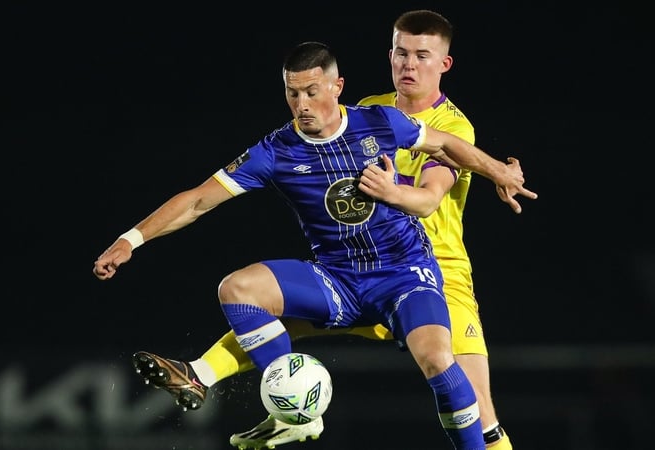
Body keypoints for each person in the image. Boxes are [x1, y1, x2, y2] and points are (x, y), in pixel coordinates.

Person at [95, 41, 535, 449]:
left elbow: (445, 146)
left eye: (311, 92)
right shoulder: (276, 150)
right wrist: (130, 239)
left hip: (404, 276)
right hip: (338, 280)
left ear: (336, 86)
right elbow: (195, 201)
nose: (302, 105)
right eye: (292, 94)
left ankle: (206, 375)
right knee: (238, 288)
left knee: (442, 364)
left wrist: (498, 171)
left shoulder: (379, 122)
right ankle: (293, 410)